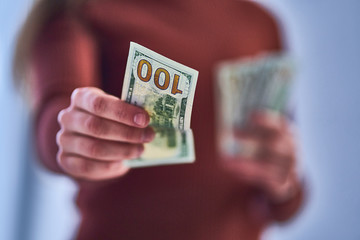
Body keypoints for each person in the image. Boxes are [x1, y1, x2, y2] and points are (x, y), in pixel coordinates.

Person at [14, 0, 305, 239]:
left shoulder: (263, 25)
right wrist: (71, 133)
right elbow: (55, 118)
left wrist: (286, 184)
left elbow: (284, 204)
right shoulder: (80, 9)